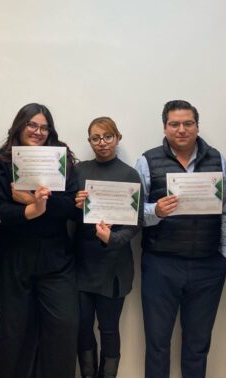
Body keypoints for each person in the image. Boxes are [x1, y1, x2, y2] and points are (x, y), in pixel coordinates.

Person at [135, 100, 226, 378]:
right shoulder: (147, 161)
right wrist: (156, 211)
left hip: (208, 265)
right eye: (174, 124)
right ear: (164, 127)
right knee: (157, 344)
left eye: (188, 123)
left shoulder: (217, 159)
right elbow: (132, 212)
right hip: (160, 264)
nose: (181, 129)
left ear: (197, 126)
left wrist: (225, 253)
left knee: (198, 345)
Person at [0, 103, 79, 378]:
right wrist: (32, 209)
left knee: (63, 329)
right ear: (20, 126)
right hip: (12, 260)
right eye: (32, 125)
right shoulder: (0, 162)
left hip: (56, 259)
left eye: (44, 127)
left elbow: (73, 207)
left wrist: (30, 201)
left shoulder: (61, 159)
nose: (38, 132)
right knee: (12, 336)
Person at [73, 117, 142, 378]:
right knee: (82, 327)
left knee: (109, 330)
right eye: (96, 138)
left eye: (108, 136)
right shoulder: (79, 171)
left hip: (114, 266)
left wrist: (113, 238)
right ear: (89, 141)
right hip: (81, 264)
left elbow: (136, 222)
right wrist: (75, 205)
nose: (102, 143)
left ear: (117, 138)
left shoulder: (129, 174)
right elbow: (66, 214)